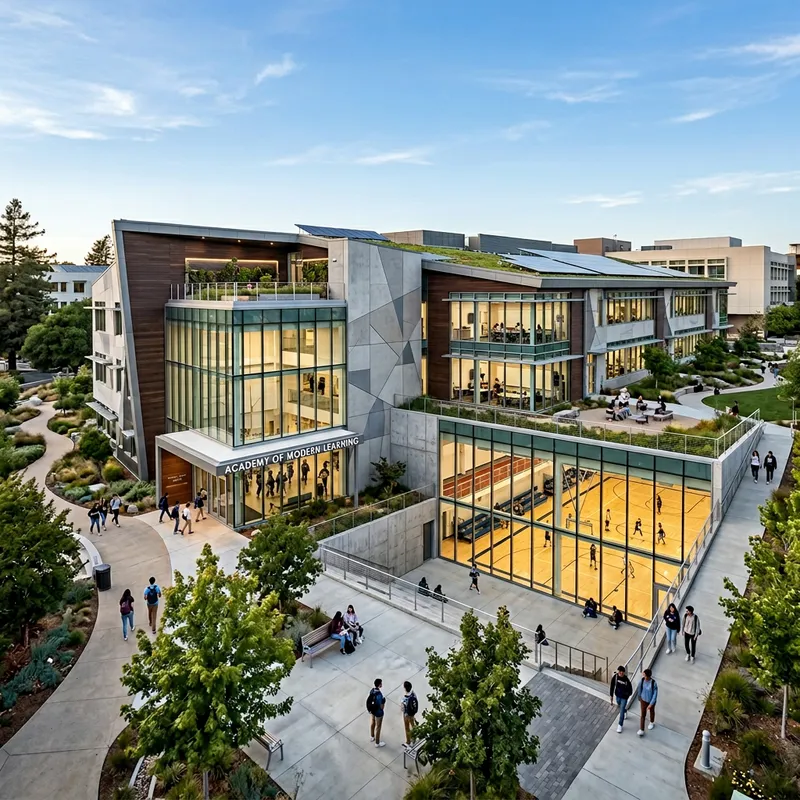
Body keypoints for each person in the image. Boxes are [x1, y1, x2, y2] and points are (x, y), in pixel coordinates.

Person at [609, 665, 633, 733]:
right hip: (618, 696)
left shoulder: (626, 680)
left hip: (624, 697)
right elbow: (612, 685)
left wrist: (627, 695)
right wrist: (611, 695)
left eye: (622, 671)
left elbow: (630, 690)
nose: (620, 673)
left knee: (621, 710)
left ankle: (620, 725)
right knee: (619, 704)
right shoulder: (616, 677)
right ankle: (625, 711)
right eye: (619, 671)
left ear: (624, 672)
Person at [637, 669, 658, 736]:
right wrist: (639, 697)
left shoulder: (653, 683)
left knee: (652, 712)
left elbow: (655, 694)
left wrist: (651, 704)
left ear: (648, 676)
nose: (644, 677)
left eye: (645, 676)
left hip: (651, 701)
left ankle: (652, 722)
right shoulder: (642, 680)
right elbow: (639, 688)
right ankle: (641, 729)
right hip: (643, 700)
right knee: (643, 715)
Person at [367, 678, 386, 747]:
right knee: (378, 727)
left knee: (372, 722)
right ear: (379, 685)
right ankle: (377, 743)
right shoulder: (379, 695)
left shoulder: (372, 691)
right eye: (381, 683)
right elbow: (381, 707)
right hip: (378, 713)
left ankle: (372, 736)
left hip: (372, 711)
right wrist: (383, 702)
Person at [401, 680, 418, 748]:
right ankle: (414, 738)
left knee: (407, 727)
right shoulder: (413, 694)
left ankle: (408, 741)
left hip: (407, 714)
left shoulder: (405, 698)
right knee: (413, 725)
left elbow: (402, 709)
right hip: (412, 713)